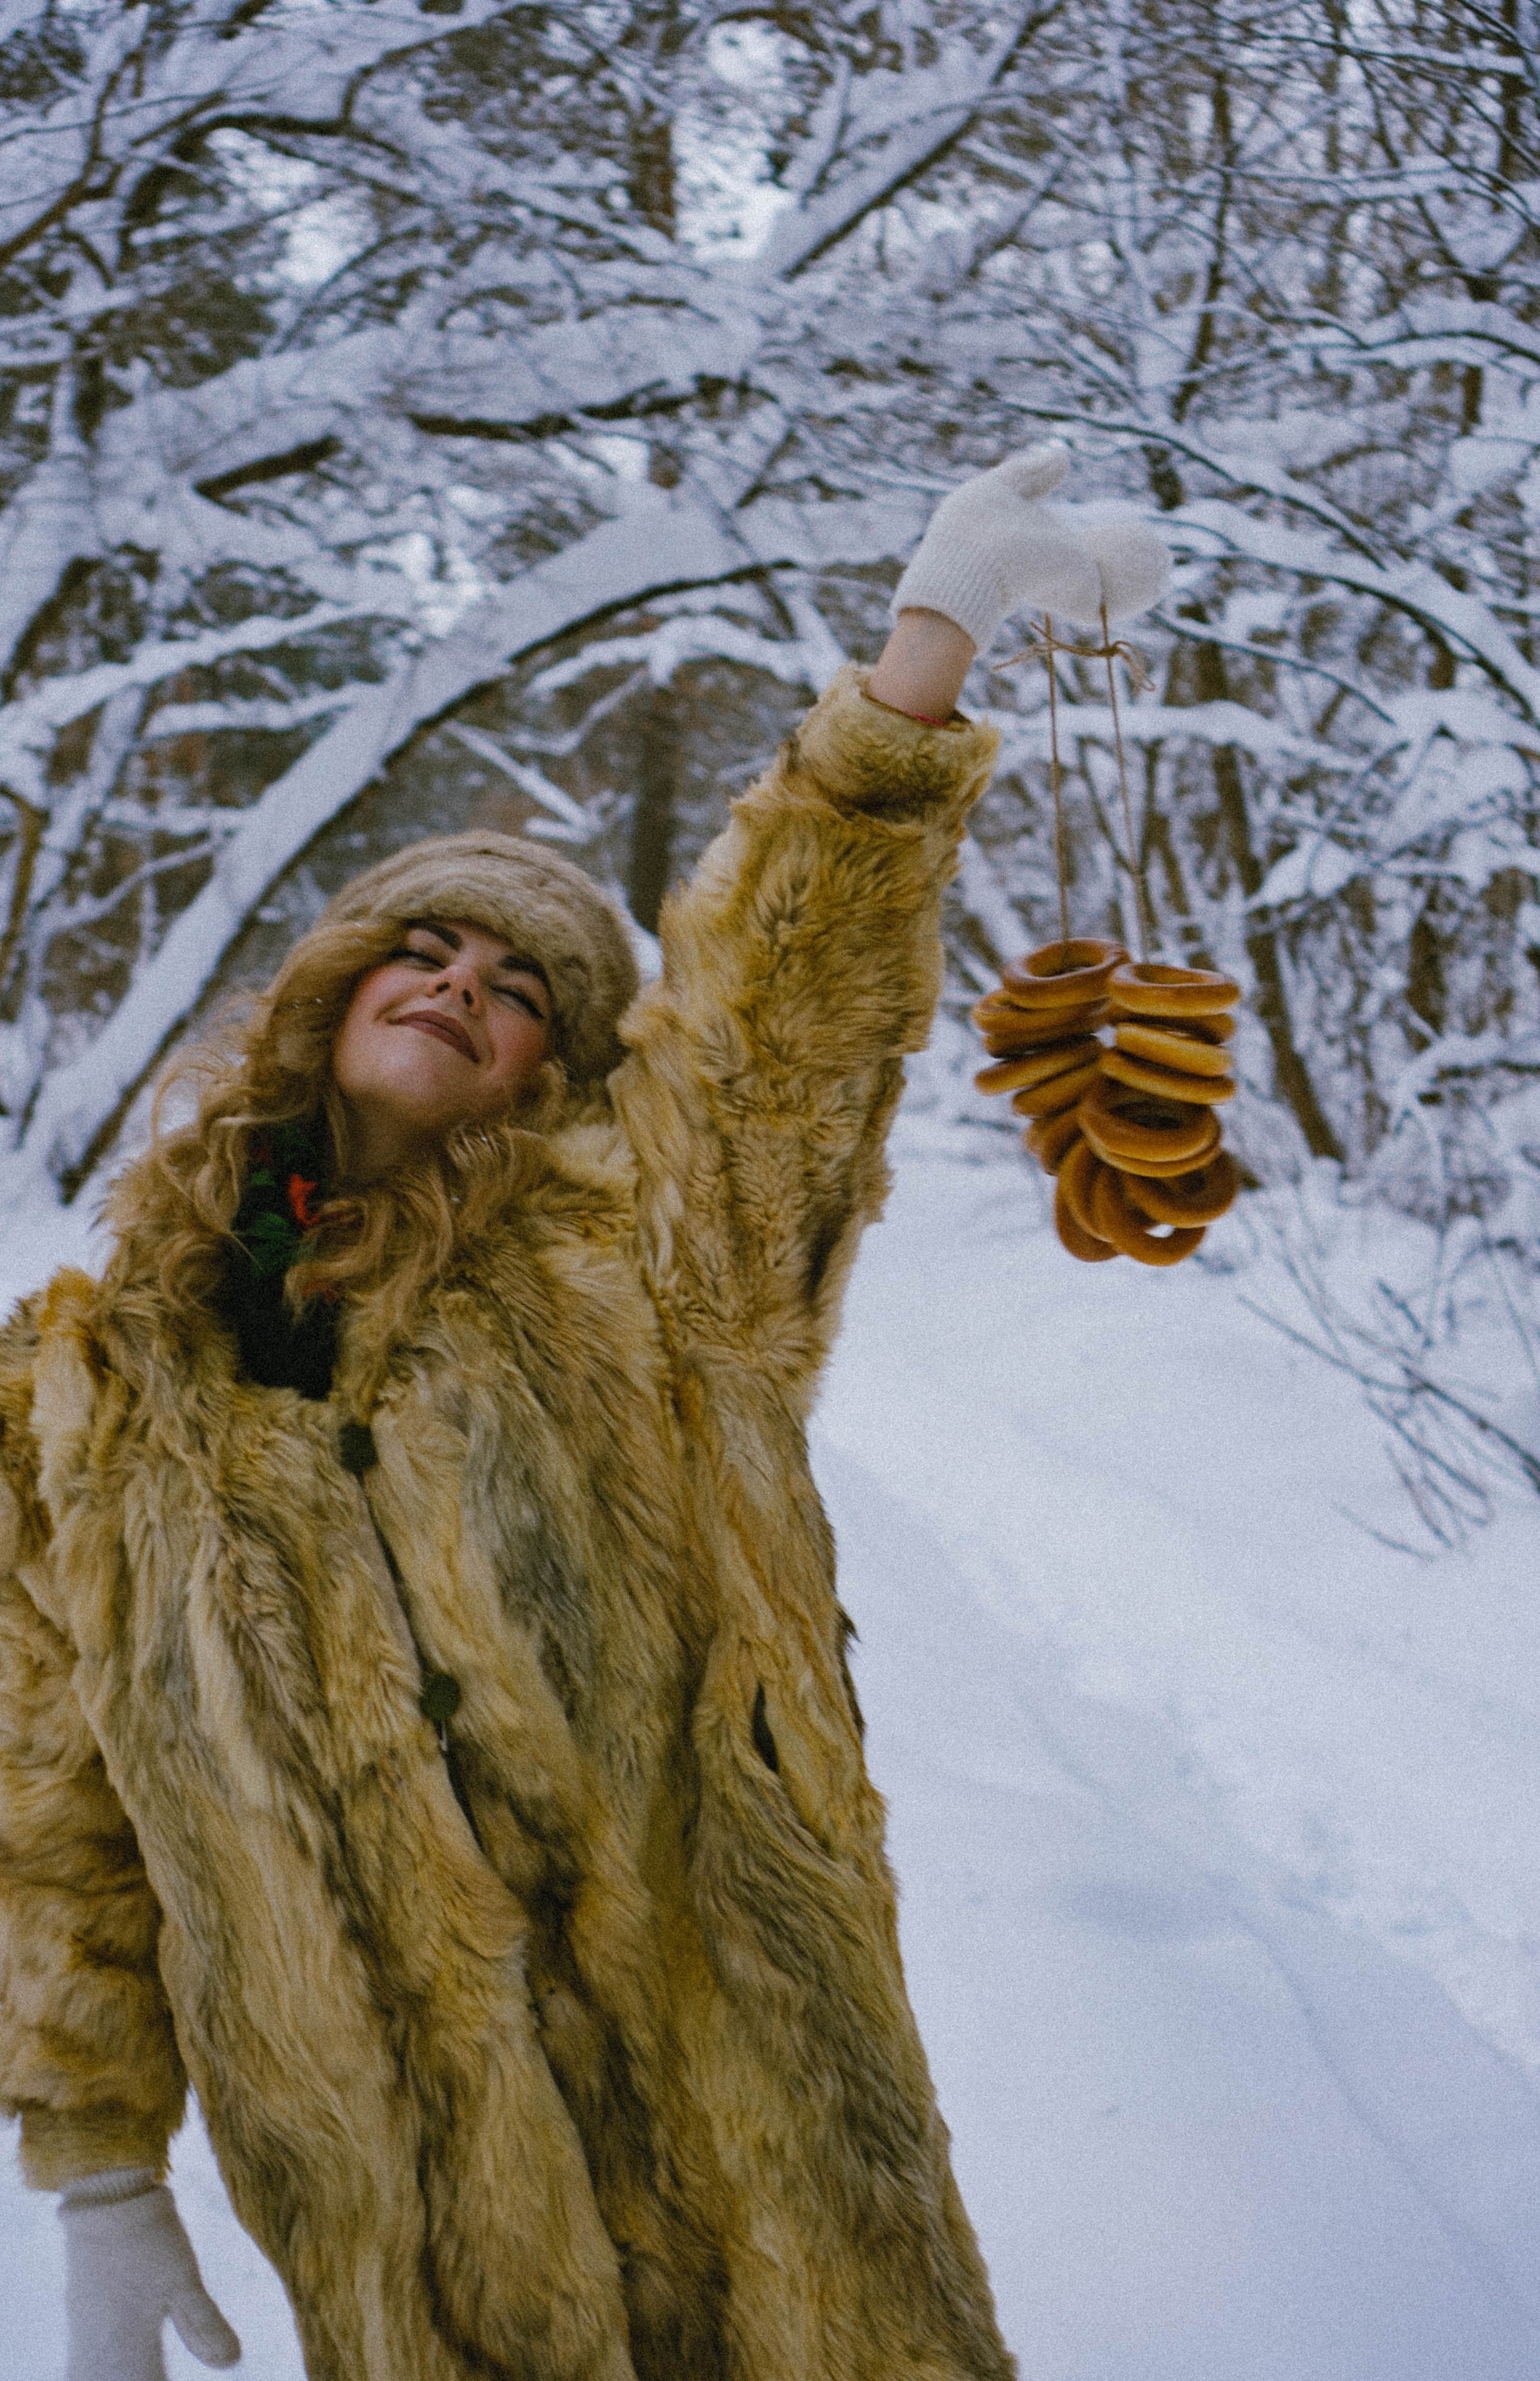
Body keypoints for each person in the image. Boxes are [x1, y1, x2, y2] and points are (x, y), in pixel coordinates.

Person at [0, 449, 1168, 2381]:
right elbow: (56, 1805)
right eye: (423, 948)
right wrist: (102, 2172)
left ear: (555, 1068)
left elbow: (788, 1028)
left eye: (522, 985)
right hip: (398, 2197)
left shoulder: (648, 1267)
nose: (460, 985)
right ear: (332, 989)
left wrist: (924, 654)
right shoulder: (82, 1389)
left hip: (750, 2132)